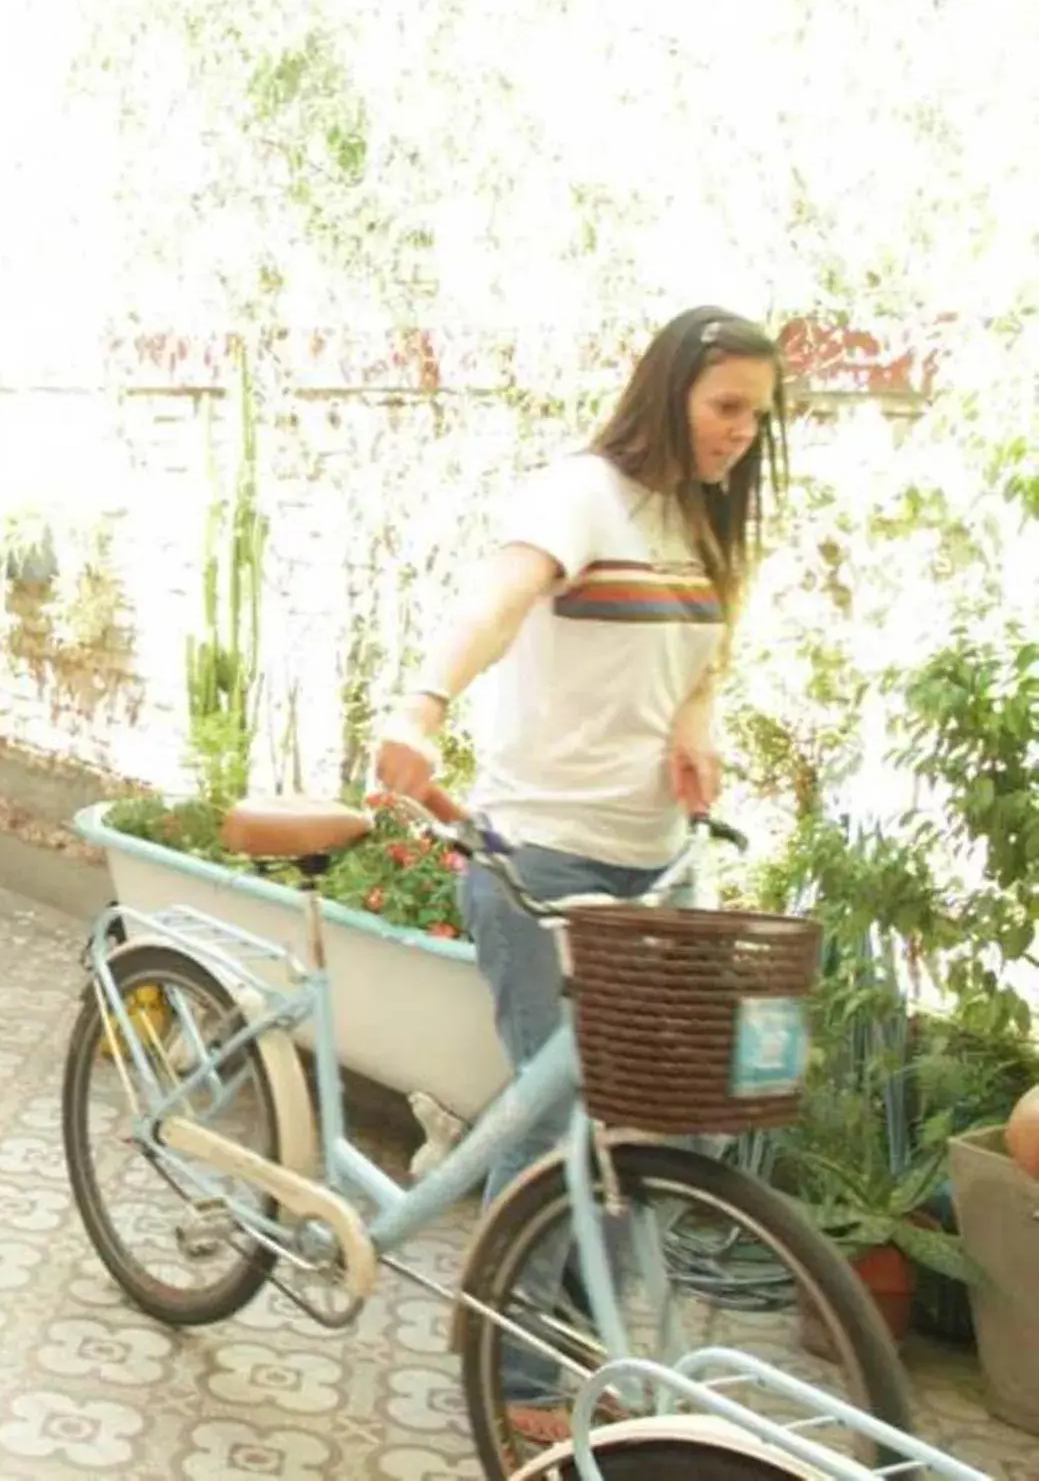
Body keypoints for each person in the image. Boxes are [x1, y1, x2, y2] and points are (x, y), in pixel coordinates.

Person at [373, 304, 787, 1443]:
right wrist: (420, 706)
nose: (741, 432)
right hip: (542, 858)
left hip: (661, 869)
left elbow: (704, 650)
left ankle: (546, 1332)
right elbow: (494, 603)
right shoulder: (580, 496)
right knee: (563, 1126)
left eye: (756, 413)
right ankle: (516, 1375)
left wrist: (694, 721)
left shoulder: (707, 522)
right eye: (724, 408)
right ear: (668, 393)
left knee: (657, 1128)